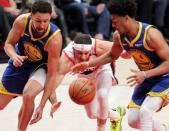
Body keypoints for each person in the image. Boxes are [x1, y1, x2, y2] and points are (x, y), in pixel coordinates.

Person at [71, 0, 169, 130]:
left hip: (164, 78)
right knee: (133, 121)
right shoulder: (119, 36)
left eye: (115, 21)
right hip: (147, 79)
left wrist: (145, 74)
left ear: (126, 18)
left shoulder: (151, 34)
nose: (113, 24)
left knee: (145, 112)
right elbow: (112, 55)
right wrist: (88, 64)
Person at [30, 34, 126, 131]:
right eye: (79, 53)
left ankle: (101, 128)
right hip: (85, 78)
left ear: (91, 49)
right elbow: (51, 86)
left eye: (86, 53)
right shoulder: (66, 59)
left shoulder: (99, 46)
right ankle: (117, 114)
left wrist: (128, 53)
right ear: (74, 49)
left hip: (103, 70)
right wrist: (51, 103)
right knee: (92, 114)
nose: (83, 57)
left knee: (102, 94)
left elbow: (123, 48)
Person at [0, 1, 62, 131]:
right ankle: (53, 99)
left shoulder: (54, 39)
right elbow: (8, 44)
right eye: (38, 21)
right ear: (31, 15)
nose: (42, 25)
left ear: (50, 17)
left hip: (41, 66)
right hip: (21, 60)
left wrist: (41, 106)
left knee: (28, 95)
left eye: (46, 21)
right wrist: (13, 56)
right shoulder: (22, 21)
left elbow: (51, 74)